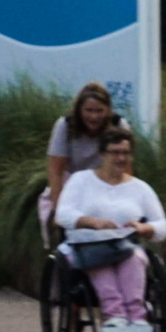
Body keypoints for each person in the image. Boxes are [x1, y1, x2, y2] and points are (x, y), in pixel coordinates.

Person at [54, 127, 166, 332]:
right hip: (88, 244)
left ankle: (137, 315)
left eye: (125, 153)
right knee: (100, 261)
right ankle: (114, 315)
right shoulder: (81, 181)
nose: (121, 158)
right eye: (115, 152)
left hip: (124, 244)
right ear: (102, 154)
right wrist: (91, 222)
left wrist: (144, 228)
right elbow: (62, 214)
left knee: (136, 258)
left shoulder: (140, 188)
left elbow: (162, 225)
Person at [42, 82, 119, 232]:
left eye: (99, 111)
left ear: (108, 110)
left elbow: (124, 171)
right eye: (88, 110)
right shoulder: (64, 125)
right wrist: (59, 210)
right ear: (79, 110)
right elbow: (55, 170)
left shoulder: (118, 125)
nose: (94, 116)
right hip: (72, 187)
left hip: (105, 185)